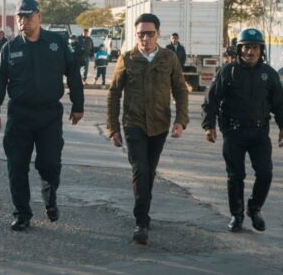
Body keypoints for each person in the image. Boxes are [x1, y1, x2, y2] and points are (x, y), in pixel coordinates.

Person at [0, 0, 84, 231]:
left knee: (49, 164)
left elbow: (73, 74)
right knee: (16, 166)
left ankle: (50, 200)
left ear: (39, 17)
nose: (24, 21)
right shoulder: (10, 48)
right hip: (19, 115)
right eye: (20, 17)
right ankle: (22, 213)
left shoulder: (57, 43)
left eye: (28, 16)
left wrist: (78, 105)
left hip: (49, 114)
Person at [106, 13, 189, 245]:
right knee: (140, 169)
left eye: (150, 33)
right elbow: (113, 93)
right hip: (134, 124)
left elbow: (181, 90)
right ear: (136, 35)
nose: (145, 38)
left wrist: (180, 121)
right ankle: (141, 221)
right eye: (141, 33)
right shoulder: (127, 58)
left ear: (158, 34)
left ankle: (144, 208)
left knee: (149, 171)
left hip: (160, 125)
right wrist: (113, 128)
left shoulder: (168, 58)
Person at [201, 28, 283, 233]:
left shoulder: (270, 75)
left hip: (259, 133)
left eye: (254, 47)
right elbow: (211, 100)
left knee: (265, 173)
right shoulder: (228, 71)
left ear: (261, 50)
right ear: (239, 49)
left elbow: (280, 104)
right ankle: (236, 215)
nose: (250, 51)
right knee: (235, 176)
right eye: (246, 47)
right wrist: (209, 125)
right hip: (234, 133)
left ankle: (254, 208)